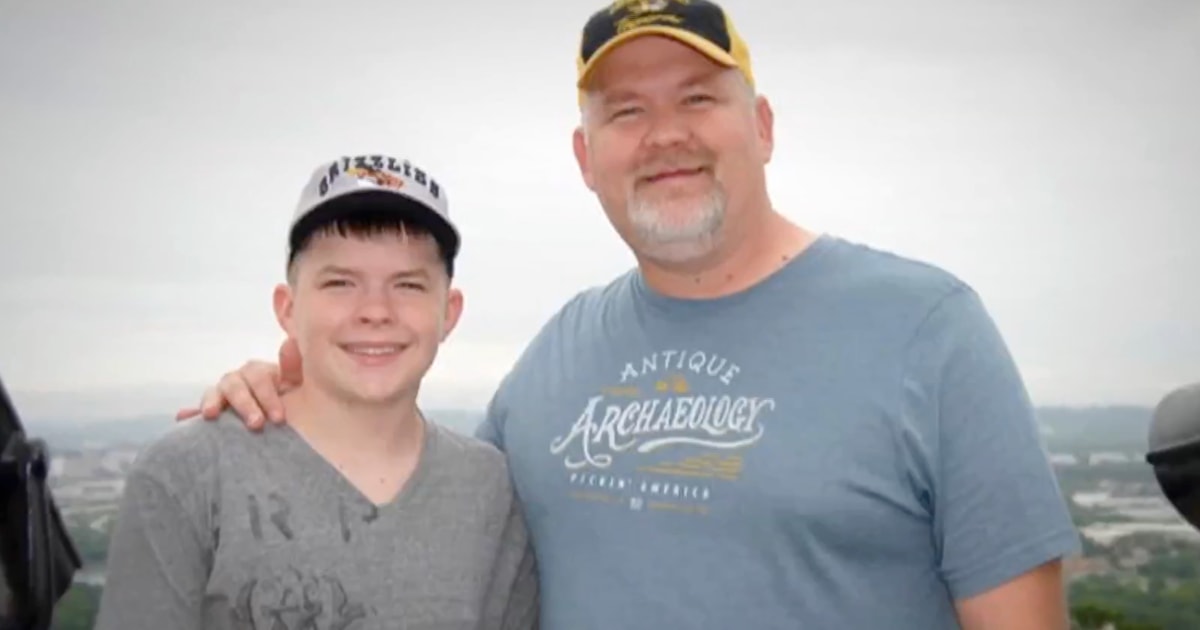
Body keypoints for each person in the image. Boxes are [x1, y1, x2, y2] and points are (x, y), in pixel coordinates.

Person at [180, 1, 1081, 628]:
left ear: (761, 125)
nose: (664, 135)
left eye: (698, 97)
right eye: (627, 111)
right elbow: (418, 500)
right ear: (586, 155)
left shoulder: (928, 330)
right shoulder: (560, 354)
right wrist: (302, 398)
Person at [98, 155, 539, 630]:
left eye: (408, 285)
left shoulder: (488, 488)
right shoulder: (189, 475)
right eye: (340, 283)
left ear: (448, 313)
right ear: (287, 309)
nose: (375, 311)